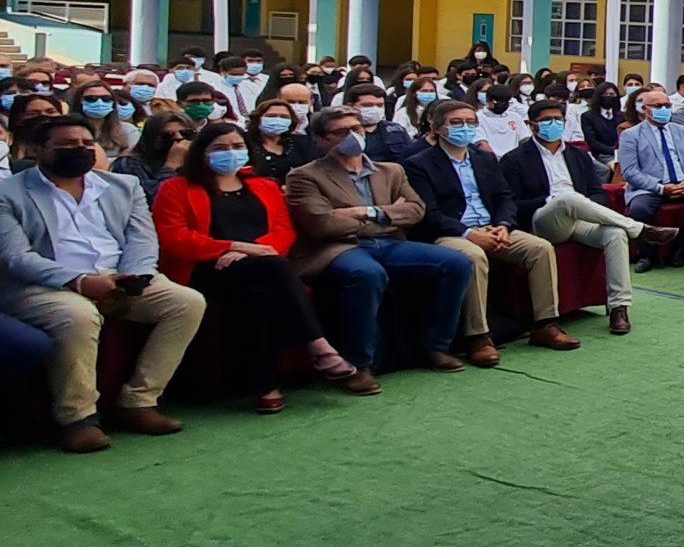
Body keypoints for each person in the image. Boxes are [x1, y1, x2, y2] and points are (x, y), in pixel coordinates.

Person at [0, 116, 207, 452]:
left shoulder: (122, 186)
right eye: (68, 145)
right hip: (44, 286)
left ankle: (139, 401)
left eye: (86, 144)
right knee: (78, 316)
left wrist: (134, 276)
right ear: (38, 150)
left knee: (186, 302)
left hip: (118, 275)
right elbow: (15, 258)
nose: (80, 150)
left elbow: (142, 240)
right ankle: (77, 418)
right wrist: (79, 281)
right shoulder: (8, 193)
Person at [153, 120, 371, 409]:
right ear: (202, 152)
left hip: (260, 268)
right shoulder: (176, 188)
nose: (229, 152)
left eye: (236, 146)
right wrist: (234, 247)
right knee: (272, 269)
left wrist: (250, 253)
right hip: (206, 268)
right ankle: (318, 345)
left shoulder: (264, 186)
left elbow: (284, 231)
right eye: (220, 148)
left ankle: (266, 386)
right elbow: (175, 237)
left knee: (258, 292)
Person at [286, 107, 476, 383]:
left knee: (457, 262)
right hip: (340, 248)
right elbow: (322, 225)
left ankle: (435, 346)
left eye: (357, 129)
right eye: (341, 132)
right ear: (321, 140)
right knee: (367, 274)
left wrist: (366, 212)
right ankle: (359, 363)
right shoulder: (305, 176)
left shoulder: (391, 171)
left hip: (390, 243)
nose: (352, 136)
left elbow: (416, 210)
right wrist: (389, 215)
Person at [404, 99, 575, 356]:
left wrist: (504, 225)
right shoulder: (418, 164)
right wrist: (469, 233)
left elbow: (505, 197)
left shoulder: (484, 159)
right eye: (457, 123)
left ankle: (545, 324)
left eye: (471, 123)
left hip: (493, 227)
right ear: (438, 128)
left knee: (540, 248)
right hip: (450, 233)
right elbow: (429, 213)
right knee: (473, 256)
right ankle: (479, 336)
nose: (466, 128)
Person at [501, 98, 678, 337]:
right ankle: (641, 229)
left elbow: (597, 192)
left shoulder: (578, 155)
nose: (553, 124)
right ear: (531, 124)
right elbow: (512, 203)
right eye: (546, 121)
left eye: (558, 120)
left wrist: (587, 208)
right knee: (566, 198)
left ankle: (619, 307)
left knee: (614, 234)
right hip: (541, 221)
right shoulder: (515, 159)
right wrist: (551, 202)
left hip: (579, 220)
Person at [620, 85, 684, 268]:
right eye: (657, 106)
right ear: (644, 109)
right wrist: (660, 187)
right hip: (650, 187)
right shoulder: (630, 135)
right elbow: (630, 171)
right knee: (638, 210)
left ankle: (683, 249)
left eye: (667, 106)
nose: (663, 110)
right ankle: (647, 255)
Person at [114, 113, 193, 200]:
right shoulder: (129, 163)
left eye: (186, 133)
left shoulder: (197, 158)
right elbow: (152, 199)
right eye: (168, 135)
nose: (179, 138)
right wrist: (170, 166)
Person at [340, 82, 422, 163]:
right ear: (350, 106)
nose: (375, 109)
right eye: (367, 105)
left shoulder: (396, 130)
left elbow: (409, 160)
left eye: (380, 105)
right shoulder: (339, 132)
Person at [241, 97, 313, 184]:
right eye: (271, 116)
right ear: (258, 118)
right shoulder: (243, 141)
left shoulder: (301, 142)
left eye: (284, 117)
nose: (278, 120)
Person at [472, 80, 531, 156]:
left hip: (513, 159)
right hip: (490, 159)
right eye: (497, 102)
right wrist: (495, 159)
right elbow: (481, 143)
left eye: (506, 102)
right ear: (488, 100)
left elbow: (525, 139)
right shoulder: (478, 117)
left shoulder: (515, 117)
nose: (502, 105)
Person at [580, 81, 623, 158]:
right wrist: (614, 151)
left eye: (612, 94)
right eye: (605, 94)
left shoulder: (622, 116)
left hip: (622, 153)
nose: (608, 96)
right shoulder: (588, 117)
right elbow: (592, 142)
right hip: (601, 155)